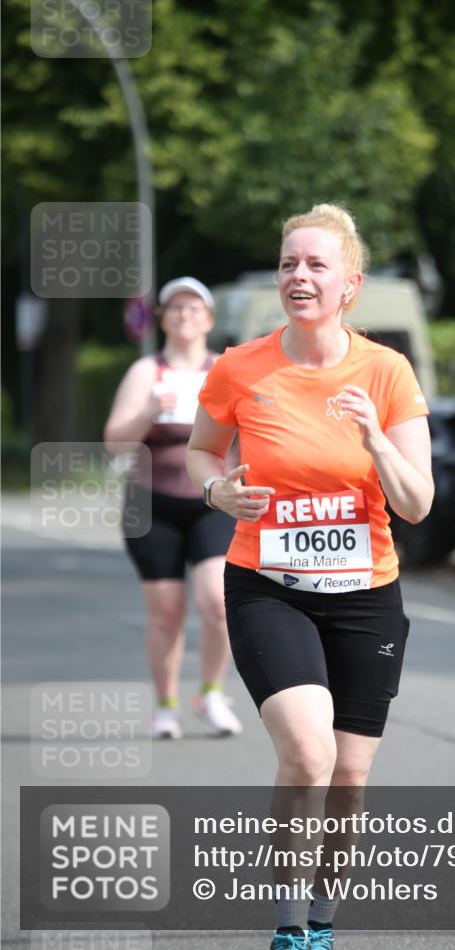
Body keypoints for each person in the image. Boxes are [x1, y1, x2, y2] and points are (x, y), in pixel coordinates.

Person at [186, 205, 433, 949]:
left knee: (348, 781)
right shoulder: (240, 366)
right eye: (289, 262)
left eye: (316, 265)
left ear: (348, 286)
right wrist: (215, 491)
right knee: (308, 752)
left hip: (366, 596)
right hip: (268, 586)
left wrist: (372, 442)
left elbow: (417, 504)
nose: (298, 275)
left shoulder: (386, 372)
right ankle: (289, 927)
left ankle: (322, 922)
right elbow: (203, 451)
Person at [104, 277, 242, 740]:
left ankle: (212, 692)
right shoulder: (148, 371)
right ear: (162, 318)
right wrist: (147, 412)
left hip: (213, 502)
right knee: (166, 611)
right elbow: (114, 443)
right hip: (153, 505)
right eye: (175, 308)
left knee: (218, 603)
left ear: (209, 318)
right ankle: (165, 705)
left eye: (194, 308)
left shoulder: (225, 369)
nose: (185, 315)